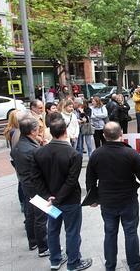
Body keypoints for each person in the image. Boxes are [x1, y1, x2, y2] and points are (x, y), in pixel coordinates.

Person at [86, 122, 140, 271]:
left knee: (109, 233)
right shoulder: (130, 153)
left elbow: (90, 179)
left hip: (107, 201)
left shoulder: (96, 154)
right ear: (121, 134)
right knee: (131, 232)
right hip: (128, 200)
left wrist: (93, 199)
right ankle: (134, 265)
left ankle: (110, 266)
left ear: (104, 136)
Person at [31, 114, 92, 271]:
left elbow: (36, 178)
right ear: (65, 131)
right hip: (69, 200)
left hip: (50, 199)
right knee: (72, 232)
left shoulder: (39, 153)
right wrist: (56, 198)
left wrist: (48, 196)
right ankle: (73, 262)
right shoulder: (74, 154)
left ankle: (55, 259)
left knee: (53, 229)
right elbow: (71, 182)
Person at [10, 114, 49, 257]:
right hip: (37, 187)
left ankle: (32, 241)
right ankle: (43, 247)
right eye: (38, 128)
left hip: (26, 185)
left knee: (30, 214)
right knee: (41, 217)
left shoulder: (18, 146)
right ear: (32, 131)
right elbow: (43, 168)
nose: (40, 130)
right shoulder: (33, 150)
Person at [3, 109, 25, 211]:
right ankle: (23, 203)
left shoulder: (12, 130)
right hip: (17, 159)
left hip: (15, 158)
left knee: (21, 180)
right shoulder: (15, 132)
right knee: (21, 181)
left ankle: (23, 202)